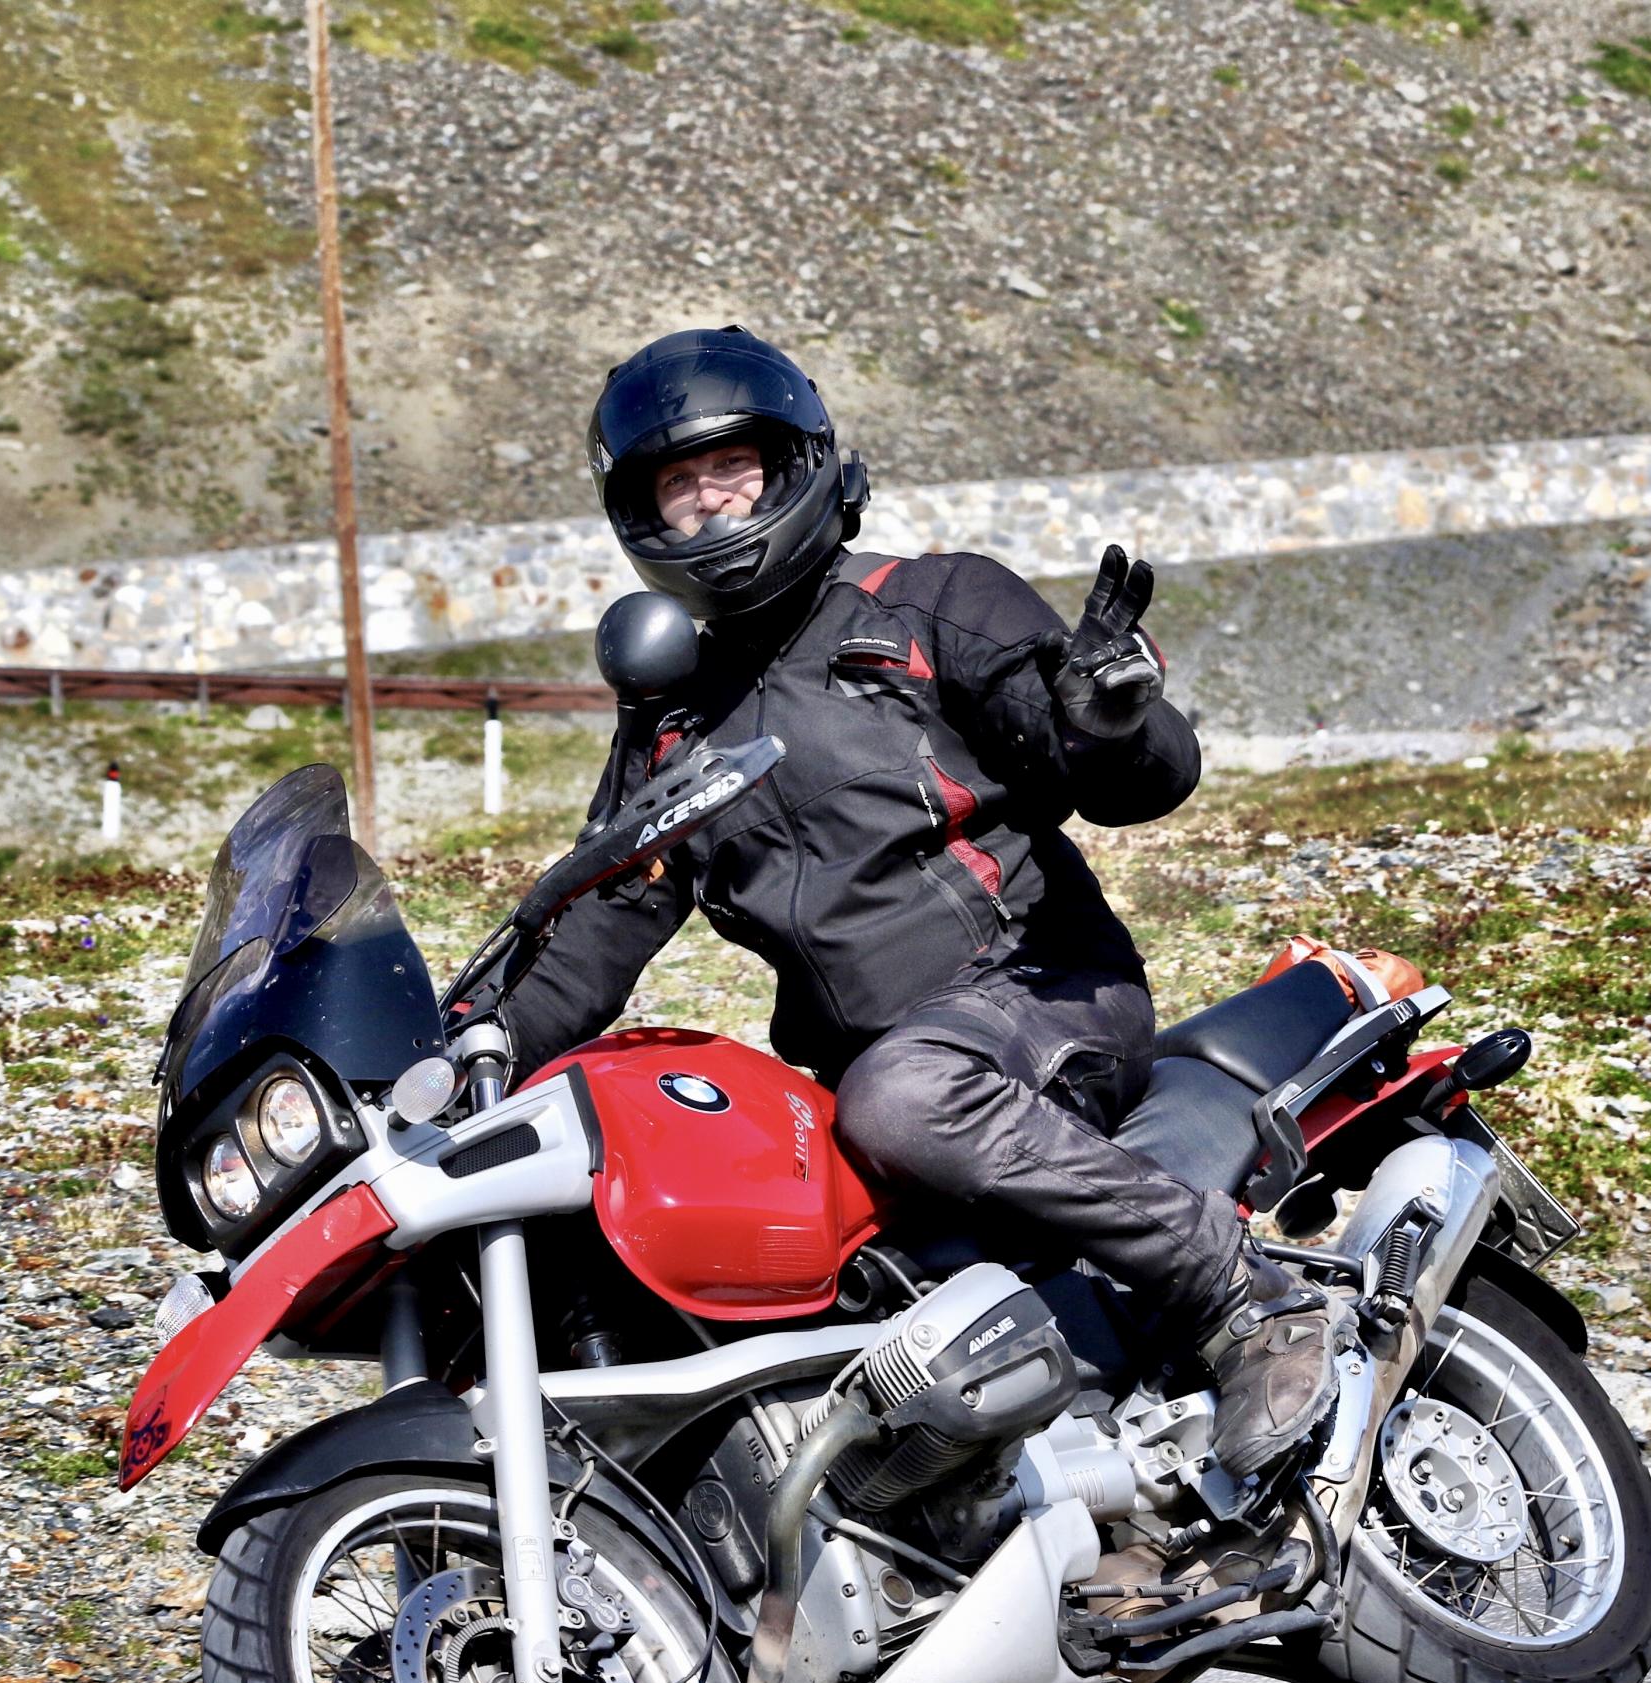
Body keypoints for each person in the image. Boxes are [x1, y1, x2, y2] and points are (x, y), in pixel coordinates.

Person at [493, 326, 1347, 1480]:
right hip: (867, 1077)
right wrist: (453, 1055)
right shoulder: (675, 722)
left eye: (729, 467)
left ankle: (1238, 1294)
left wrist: (1107, 721)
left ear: (794, 465)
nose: (707, 503)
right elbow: (596, 929)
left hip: (1043, 997)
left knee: (904, 1099)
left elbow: (1118, 773)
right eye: (675, 485)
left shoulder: (929, 604)